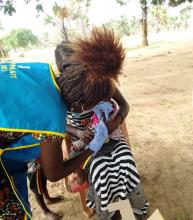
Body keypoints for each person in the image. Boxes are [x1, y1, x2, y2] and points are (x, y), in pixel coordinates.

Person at [55, 27, 149, 220]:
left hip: (111, 136)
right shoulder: (60, 91)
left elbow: (124, 105)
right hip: (84, 144)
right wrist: (78, 133)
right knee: (101, 172)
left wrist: (113, 125)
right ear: (61, 69)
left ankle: (130, 210)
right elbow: (59, 124)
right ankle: (112, 214)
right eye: (67, 68)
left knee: (126, 163)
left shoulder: (100, 80)